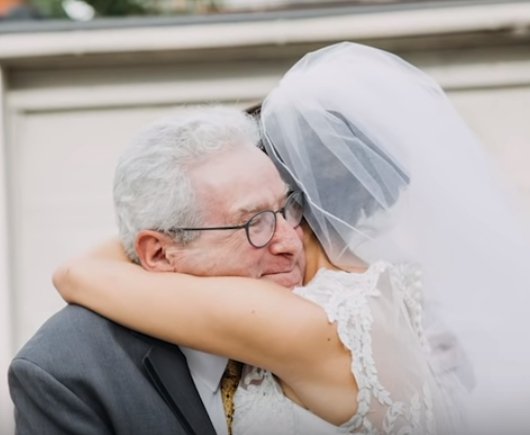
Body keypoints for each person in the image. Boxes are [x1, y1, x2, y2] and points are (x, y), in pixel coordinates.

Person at [51, 42, 530, 434]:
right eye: (255, 217)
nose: (279, 237)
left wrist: (170, 227)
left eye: (278, 208)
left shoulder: (307, 323)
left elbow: (77, 273)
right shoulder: (387, 291)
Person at [8, 107, 306, 435]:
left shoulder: (341, 306)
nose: (291, 242)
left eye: (286, 208)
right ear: (161, 253)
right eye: (254, 223)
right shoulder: (65, 372)